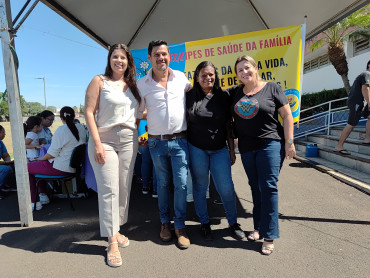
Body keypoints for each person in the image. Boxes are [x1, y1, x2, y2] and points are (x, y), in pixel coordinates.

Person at [228, 55, 295, 255]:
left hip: (271, 144)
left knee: (268, 187)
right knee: (255, 187)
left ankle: (270, 234)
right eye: (240, 70)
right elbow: (213, 95)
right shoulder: (235, 92)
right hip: (247, 148)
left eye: (247, 68)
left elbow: (287, 115)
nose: (244, 72)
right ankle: (258, 227)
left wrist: (289, 142)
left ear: (255, 68)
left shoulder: (272, 88)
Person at [85, 43, 141, 267]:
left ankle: (115, 229)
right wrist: (97, 143)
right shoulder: (99, 80)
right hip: (104, 140)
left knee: (124, 187)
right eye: (115, 57)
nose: (119, 61)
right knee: (109, 190)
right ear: (109, 60)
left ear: (129, 61)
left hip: (129, 140)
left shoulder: (133, 86)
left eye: (123, 57)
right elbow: (89, 111)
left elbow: (137, 113)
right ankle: (111, 242)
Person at [137, 40, 192, 249]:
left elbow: (195, 98)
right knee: (162, 185)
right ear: (150, 58)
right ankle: (164, 224)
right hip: (156, 143)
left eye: (164, 54)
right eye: (156, 55)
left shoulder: (181, 78)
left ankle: (180, 227)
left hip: (180, 141)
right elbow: (137, 111)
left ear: (170, 56)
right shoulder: (142, 84)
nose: (161, 58)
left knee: (181, 184)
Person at [186, 61, 246, 241]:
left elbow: (228, 124)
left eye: (211, 74)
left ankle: (233, 223)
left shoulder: (223, 96)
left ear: (215, 76)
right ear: (197, 77)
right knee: (200, 186)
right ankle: (204, 222)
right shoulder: (189, 96)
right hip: (197, 149)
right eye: (203, 75)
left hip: (220, 149)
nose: (208, 78)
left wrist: (231, 150)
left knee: (226, 187)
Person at [27, 106, 87, 211]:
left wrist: (40, 159)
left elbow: (51, 154)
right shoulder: (81, 128)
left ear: (60, 117)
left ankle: (34, 201)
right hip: (72, 168)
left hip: (59, 168)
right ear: (74, 116)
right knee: (34, 168)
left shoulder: (62, 129)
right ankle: (42, 196)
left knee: (26, 168)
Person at [335, 60, 370, 155]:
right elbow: (365, 89)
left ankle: (367, 139)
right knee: (351, 124)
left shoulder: (365, 75)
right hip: (356, 103)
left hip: (359, 103)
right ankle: (339, 146)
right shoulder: (367, 74)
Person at [0, 125, 16, 199]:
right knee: (5, 169)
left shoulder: (0, 142)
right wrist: (7, 163)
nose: (4, 134)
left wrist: (9, 162)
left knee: (13, 166)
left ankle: (8, 185)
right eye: (3, 132)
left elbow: (6, 155)